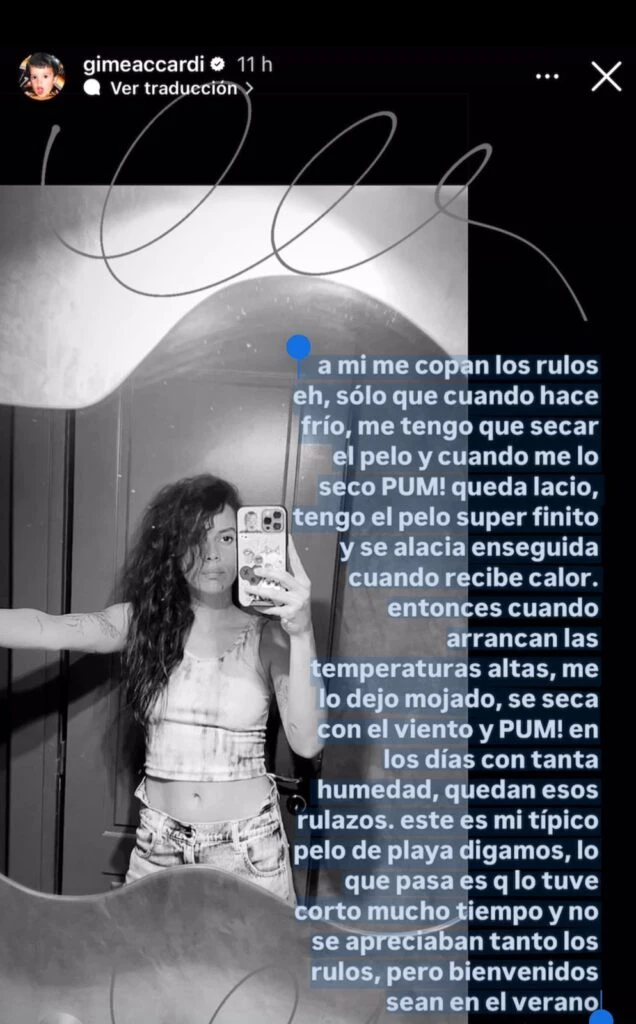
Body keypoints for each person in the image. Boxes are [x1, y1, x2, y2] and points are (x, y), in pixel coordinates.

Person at [0, 474, 324, 905]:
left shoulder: (269, 636)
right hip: (159, 846)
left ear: (246, 544)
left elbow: (308, 742)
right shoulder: (140, 623)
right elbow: (48, 628)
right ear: (173, 547)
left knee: (254, 954)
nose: (212, 554)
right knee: (138, 952)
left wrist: (302, 632)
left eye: (227, 537)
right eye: (195, 537)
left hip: (249, 850)